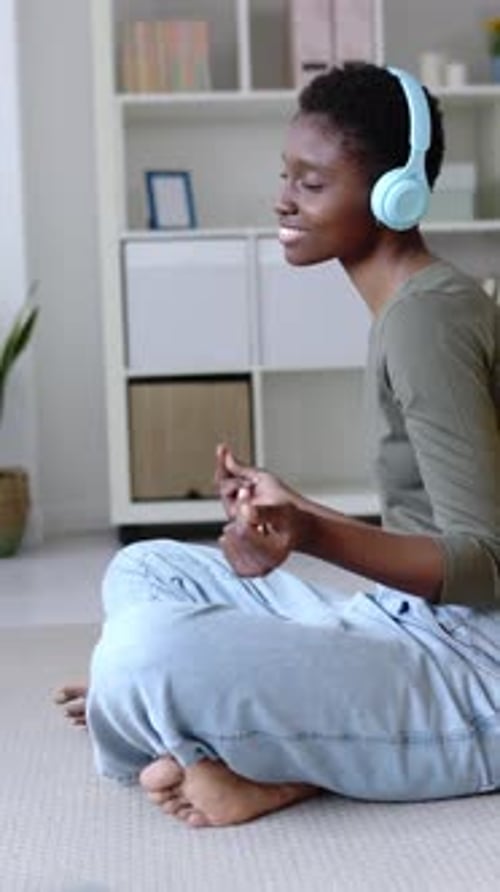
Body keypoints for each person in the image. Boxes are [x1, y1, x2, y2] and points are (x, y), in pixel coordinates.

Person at [56, 61, 500, 829]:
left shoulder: (426, 321)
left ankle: (232, 743)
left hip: (477, 671)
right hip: (410, 621)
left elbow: (486, 564)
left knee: (143, 654)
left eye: (312, 182)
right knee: (145, 566)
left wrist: (312, 534)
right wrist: (293, 511)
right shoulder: (417, 305)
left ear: (397, 192)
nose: (282, 199)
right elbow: (434, 531)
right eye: (285, 175)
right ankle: (217, 728)